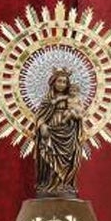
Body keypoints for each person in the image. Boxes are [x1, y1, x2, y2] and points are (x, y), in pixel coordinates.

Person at [34, 67, 85, 196]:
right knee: (50, 156)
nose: (62, 84)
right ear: (53, 82)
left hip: (69, 131)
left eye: (64, 82)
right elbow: (40, 116)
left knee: (68, 159)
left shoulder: (71, 98)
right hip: (51, 131)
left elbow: (80, 113)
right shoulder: (47, 99)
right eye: (59, 81)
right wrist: (42, 126)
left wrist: (75, 117)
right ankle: (49, 184)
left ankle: (65, 184)